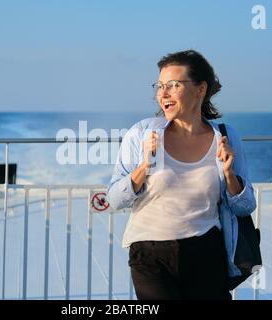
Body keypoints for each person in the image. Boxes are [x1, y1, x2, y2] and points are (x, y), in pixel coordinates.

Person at [106, 50, 256, 300]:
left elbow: (245, 206)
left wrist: (230, 175)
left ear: (200, 89)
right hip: (150, 254)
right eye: (160, 86)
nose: (162, 93)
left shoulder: (226, 136)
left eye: (173, 85)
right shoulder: (141, 133)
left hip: (206, 250)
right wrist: (143, 167)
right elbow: (113, 199)